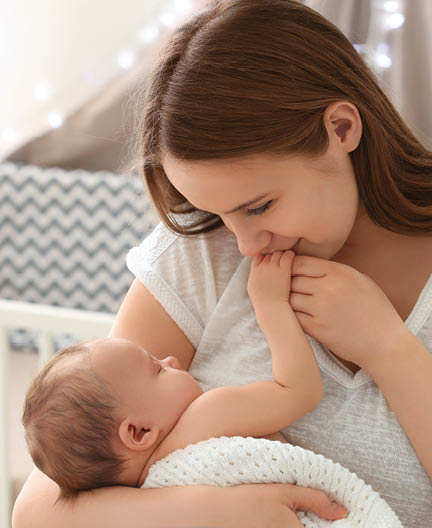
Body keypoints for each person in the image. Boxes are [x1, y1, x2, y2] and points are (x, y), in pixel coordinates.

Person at [13, 0, 432, 527]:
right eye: (220, 213)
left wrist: (389, 349)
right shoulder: (204, 252)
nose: (247, 245)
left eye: (259, 206)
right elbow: (40, 513)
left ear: (341, 129)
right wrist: (220, 510)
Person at [23, 250, 348, 516]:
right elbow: (300, 391)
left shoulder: (140, 501)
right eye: (158, 369)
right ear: (139, 432)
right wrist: (271, 305)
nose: (172, 361)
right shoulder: (206, 416)